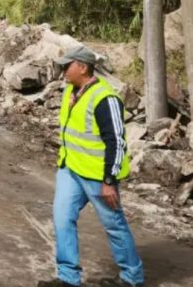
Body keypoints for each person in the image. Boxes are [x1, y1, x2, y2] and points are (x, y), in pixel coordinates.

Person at [38, 46, 143, 287]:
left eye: (67, 66)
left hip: (98, 177)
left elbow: (116, 142)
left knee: (114, 224)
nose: (63, 70)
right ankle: (68, 277)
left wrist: (109, 181)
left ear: (83, 67)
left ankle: (132, 278)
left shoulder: (105, 98)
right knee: (62, 218)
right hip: (71, 169)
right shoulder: (70, 91)